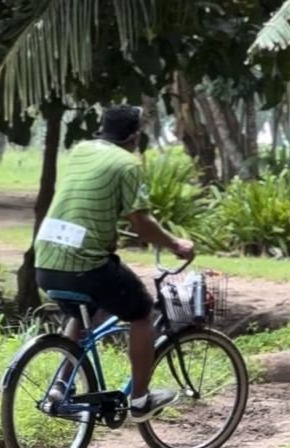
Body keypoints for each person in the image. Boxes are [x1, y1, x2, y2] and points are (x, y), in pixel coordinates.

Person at [34, 104, 194, 422]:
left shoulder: (81, 150)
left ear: (102, 130)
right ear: (134, 137)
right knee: (142, 313)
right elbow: (141, 223)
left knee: (83, 312)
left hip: (46, 260)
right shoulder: (128, 164)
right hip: (84, 265)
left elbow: (87, 198)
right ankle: (140, 400)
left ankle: (60, 387)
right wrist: (176, 244)